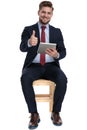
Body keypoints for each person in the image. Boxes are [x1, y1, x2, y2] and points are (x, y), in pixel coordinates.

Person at [20, 1, 67, 129]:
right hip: (33, 66)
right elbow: (22, 47)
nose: (45, 15)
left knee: (62, 79)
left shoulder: (57, 31)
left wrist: (56, 54)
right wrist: (29, 42)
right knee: (25, 78)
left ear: (52, 14)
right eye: (43, 12)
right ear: (38, 12)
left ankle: (55, 112)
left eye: (48, 13)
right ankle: (34, 114)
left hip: (51, 66)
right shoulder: (28, 29)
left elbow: (63, 52)